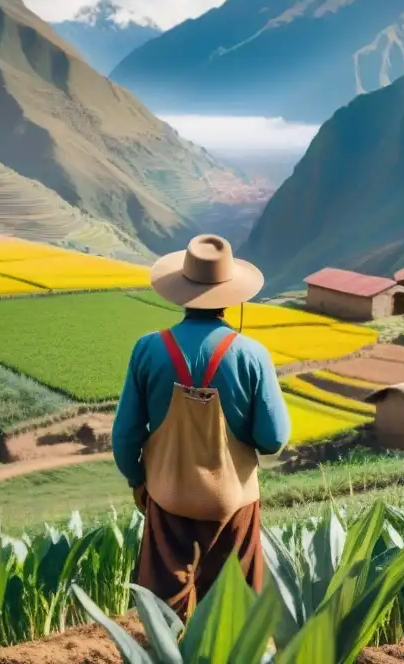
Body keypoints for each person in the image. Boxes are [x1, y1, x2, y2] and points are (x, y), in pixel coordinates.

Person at [111, 233, 291, 621]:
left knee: (164, 616)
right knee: (234, 615)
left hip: (168, 498)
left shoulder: (147, 349)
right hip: (234, 504)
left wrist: (138, 480)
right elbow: (273, 438)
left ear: (182, 291)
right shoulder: (252, 354)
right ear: (232, 296)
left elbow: (125, 436)